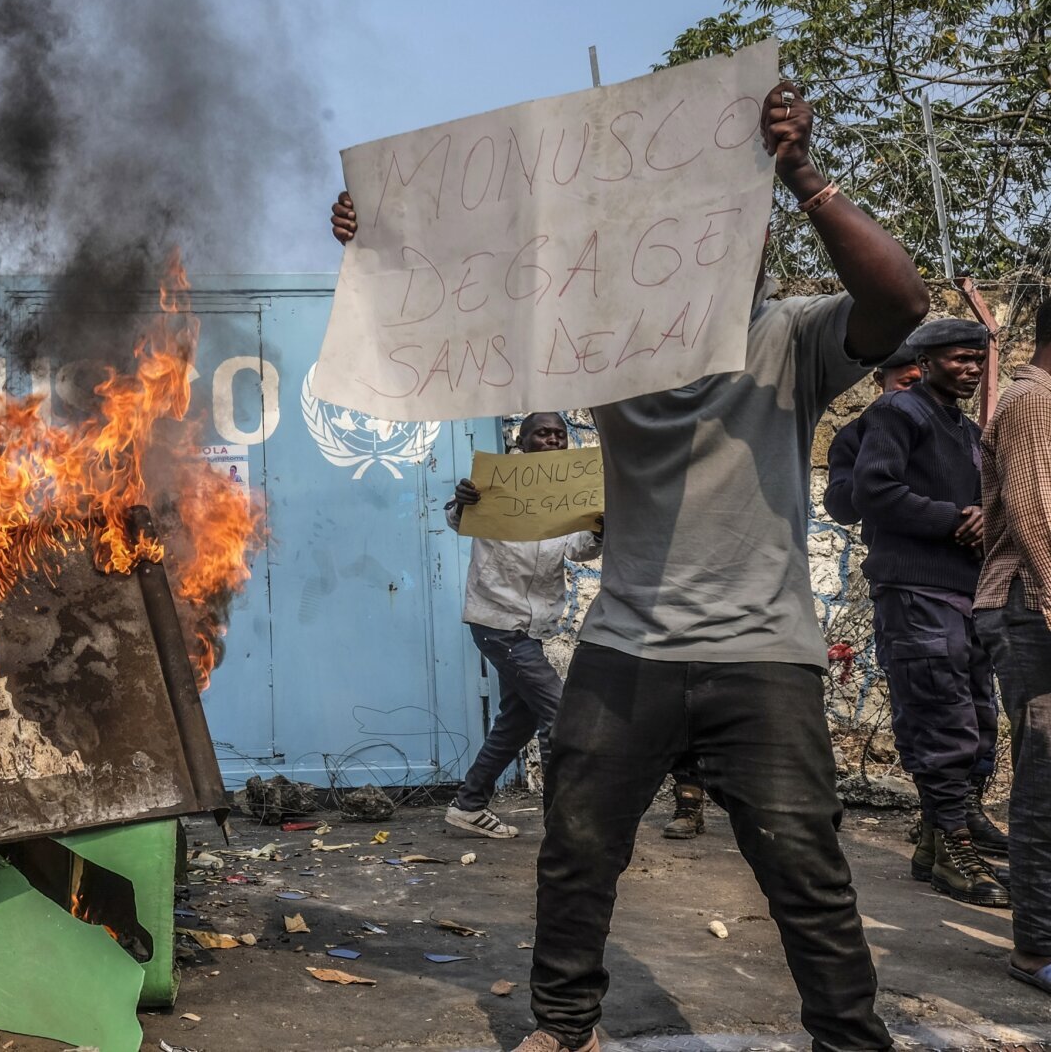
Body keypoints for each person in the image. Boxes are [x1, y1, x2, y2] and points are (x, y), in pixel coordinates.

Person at [331, 82, 927, 1052]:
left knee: (804, 873)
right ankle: (564, 1028)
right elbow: (462, 305)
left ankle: (848, 1040)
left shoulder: (790, 337)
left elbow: (899, 300)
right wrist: (380, 235)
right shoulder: (608, 355)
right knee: (574, 851)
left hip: (760, 654)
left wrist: (799, 173)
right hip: (625, 647)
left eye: (736, 237)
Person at [854, 317, 1007, 905]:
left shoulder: (966, 428)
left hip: (963, 590)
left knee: (974, 712)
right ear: (928, 358)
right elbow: (874, 491)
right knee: (940, 715)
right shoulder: (898, 414)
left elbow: (977, 498)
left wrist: (979, 514)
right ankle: (951, 847)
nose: (971, 369)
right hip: (914, 589)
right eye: (960, 359)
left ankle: (942, 842)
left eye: (977, 360)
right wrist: (953, 519)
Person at [443, 411, 602, 840]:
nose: (552, 439)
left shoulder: (571, 490)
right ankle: (562, 822)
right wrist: (463, 501)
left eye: (559, 434)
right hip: (496, 619)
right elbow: (458, 520)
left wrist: (601, 530)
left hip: (532, 625)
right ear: (521, 439)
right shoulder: (495, 481)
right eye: (542, 433)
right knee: (558, 714)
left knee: (519, 719)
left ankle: (469, 804)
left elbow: (578, 548)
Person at [976, 298, 1051, 992]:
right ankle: (1035, 948)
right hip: (1033, 602)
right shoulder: (1031, 401)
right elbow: (1033, 515)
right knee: (1044, 777)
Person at [822, 344, 923, 529]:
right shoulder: (854, 436)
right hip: (892, 553)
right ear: (880, 380)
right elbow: (840, 510)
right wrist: (871, 468)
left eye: (924, 385)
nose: (916, 394)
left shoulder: (956, 428)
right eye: (906, 383)